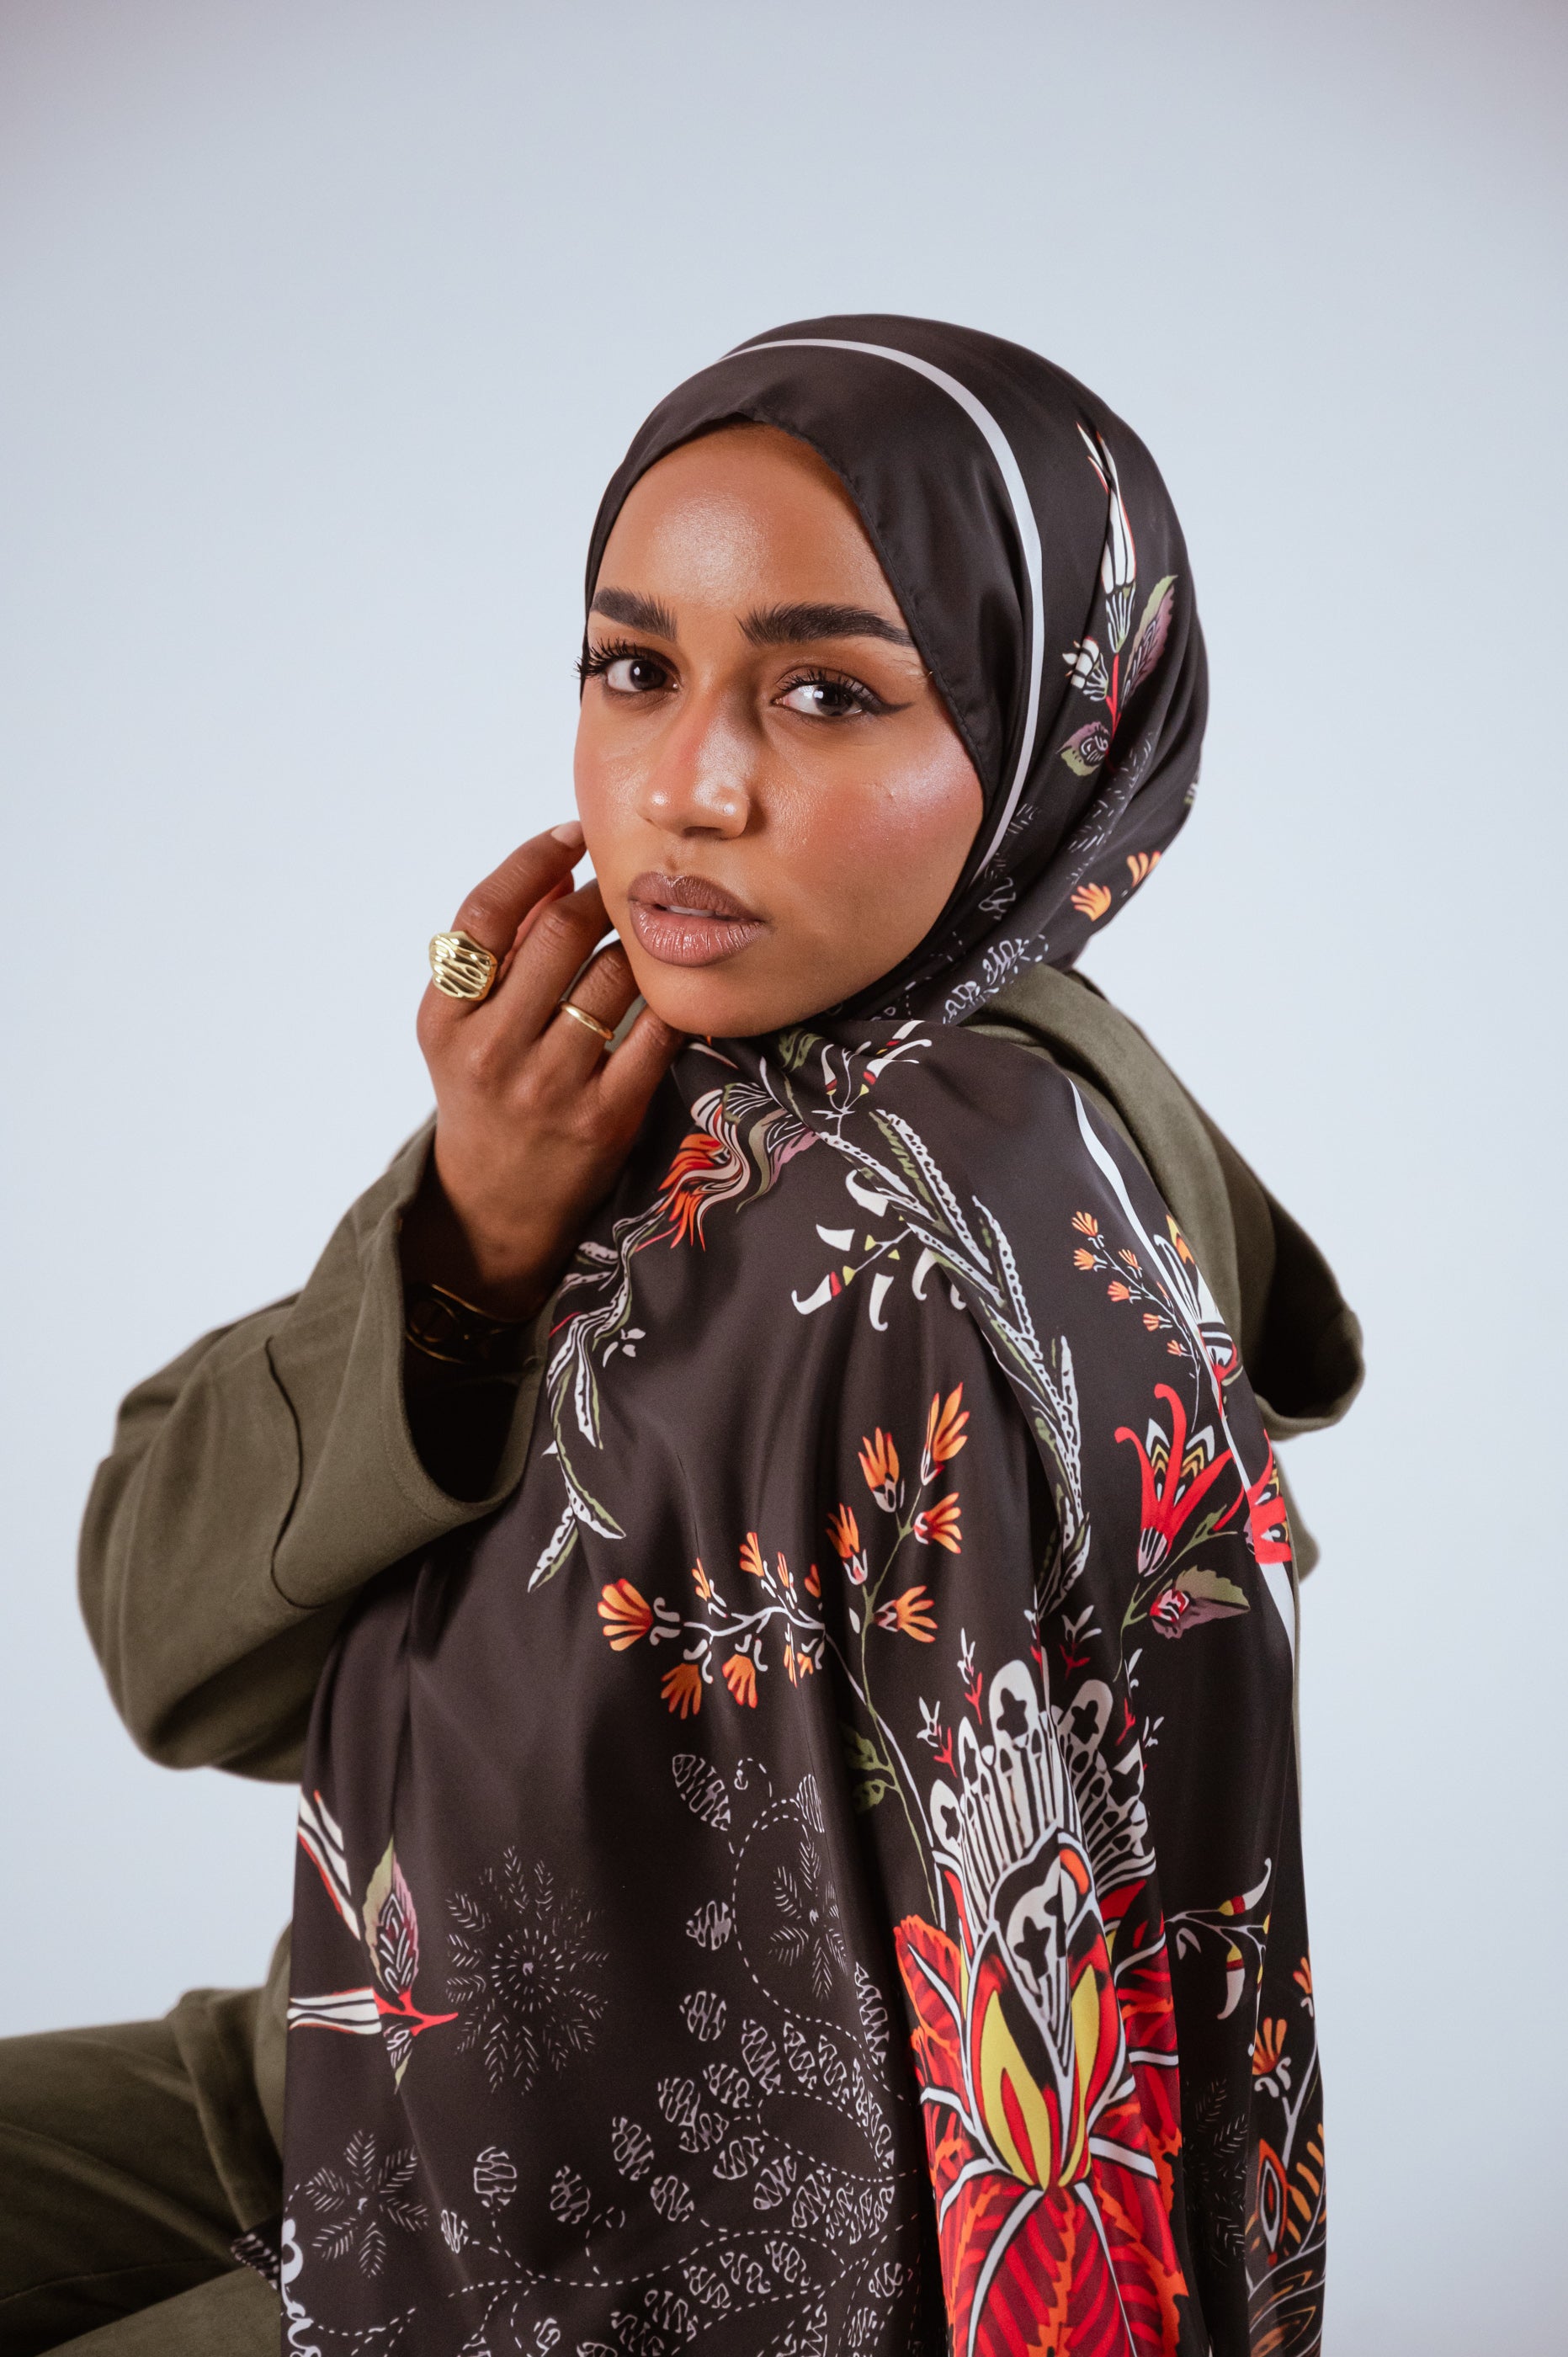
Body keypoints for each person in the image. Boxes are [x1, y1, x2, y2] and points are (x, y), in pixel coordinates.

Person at [3, 317, 1362, 2356]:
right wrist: (467, 1230)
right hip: (377, 2067)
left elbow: (1080, 2085)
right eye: (634, 667)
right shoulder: (658, 1080)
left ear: (1047, 741)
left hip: (656, 2251)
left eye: (823, 691)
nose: (688, 784)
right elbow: (159, 1640)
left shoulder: (953, 1233)